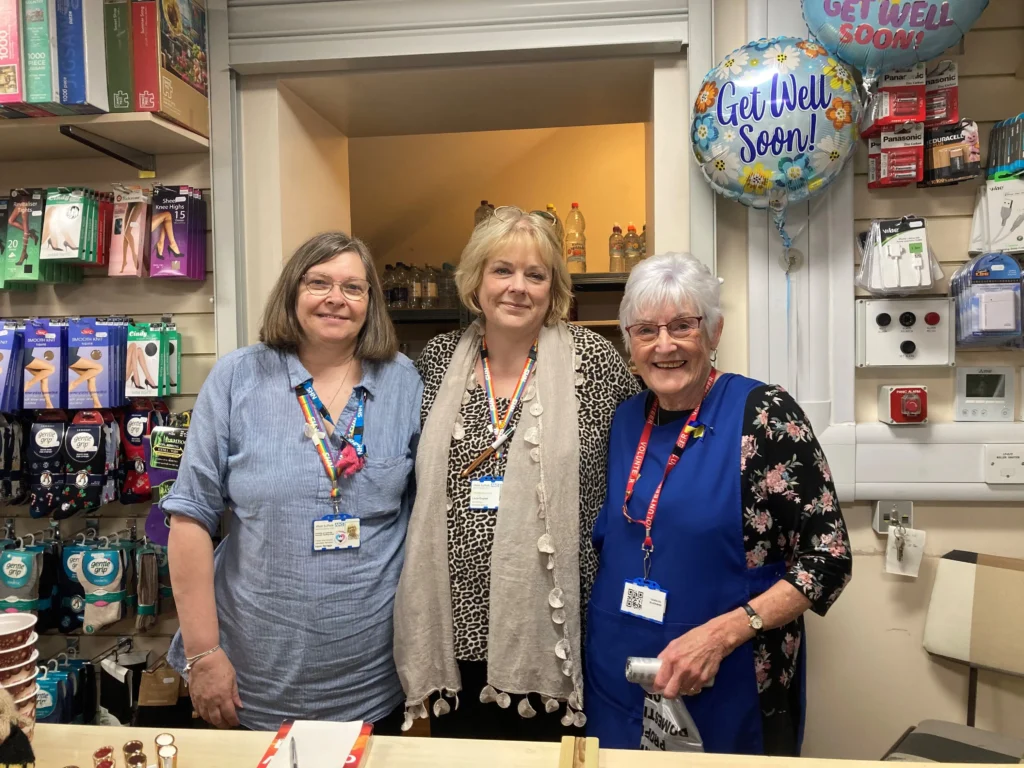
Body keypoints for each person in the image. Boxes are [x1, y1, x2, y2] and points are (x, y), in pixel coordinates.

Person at [585, 252, 852, 755]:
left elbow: (828, 561)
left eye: (682, 325)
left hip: (729, 679)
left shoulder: (765, 415)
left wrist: (722, 635)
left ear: (714, 331)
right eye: (646, 330)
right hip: (619, 674)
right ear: (629, 343)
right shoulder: (623, 421)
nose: (664, 345)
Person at [395, 206, 639, 740]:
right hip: (454, 631)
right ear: (475, 281)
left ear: (554, 288)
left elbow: (643, 454)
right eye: (502, 270)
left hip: (553, 628)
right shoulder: (436, 360)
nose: (518, 287)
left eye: (536, 274)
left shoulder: (593, 361)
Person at [163, 232, 423, 732]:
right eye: (318, 282)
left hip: (373, 679)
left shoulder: (404, 382)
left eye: (353, 287)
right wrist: (203, 654)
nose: (335, 298)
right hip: (252, 678)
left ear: (371, 302)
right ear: (291, 292)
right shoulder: (237, 379)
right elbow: (189, 517)